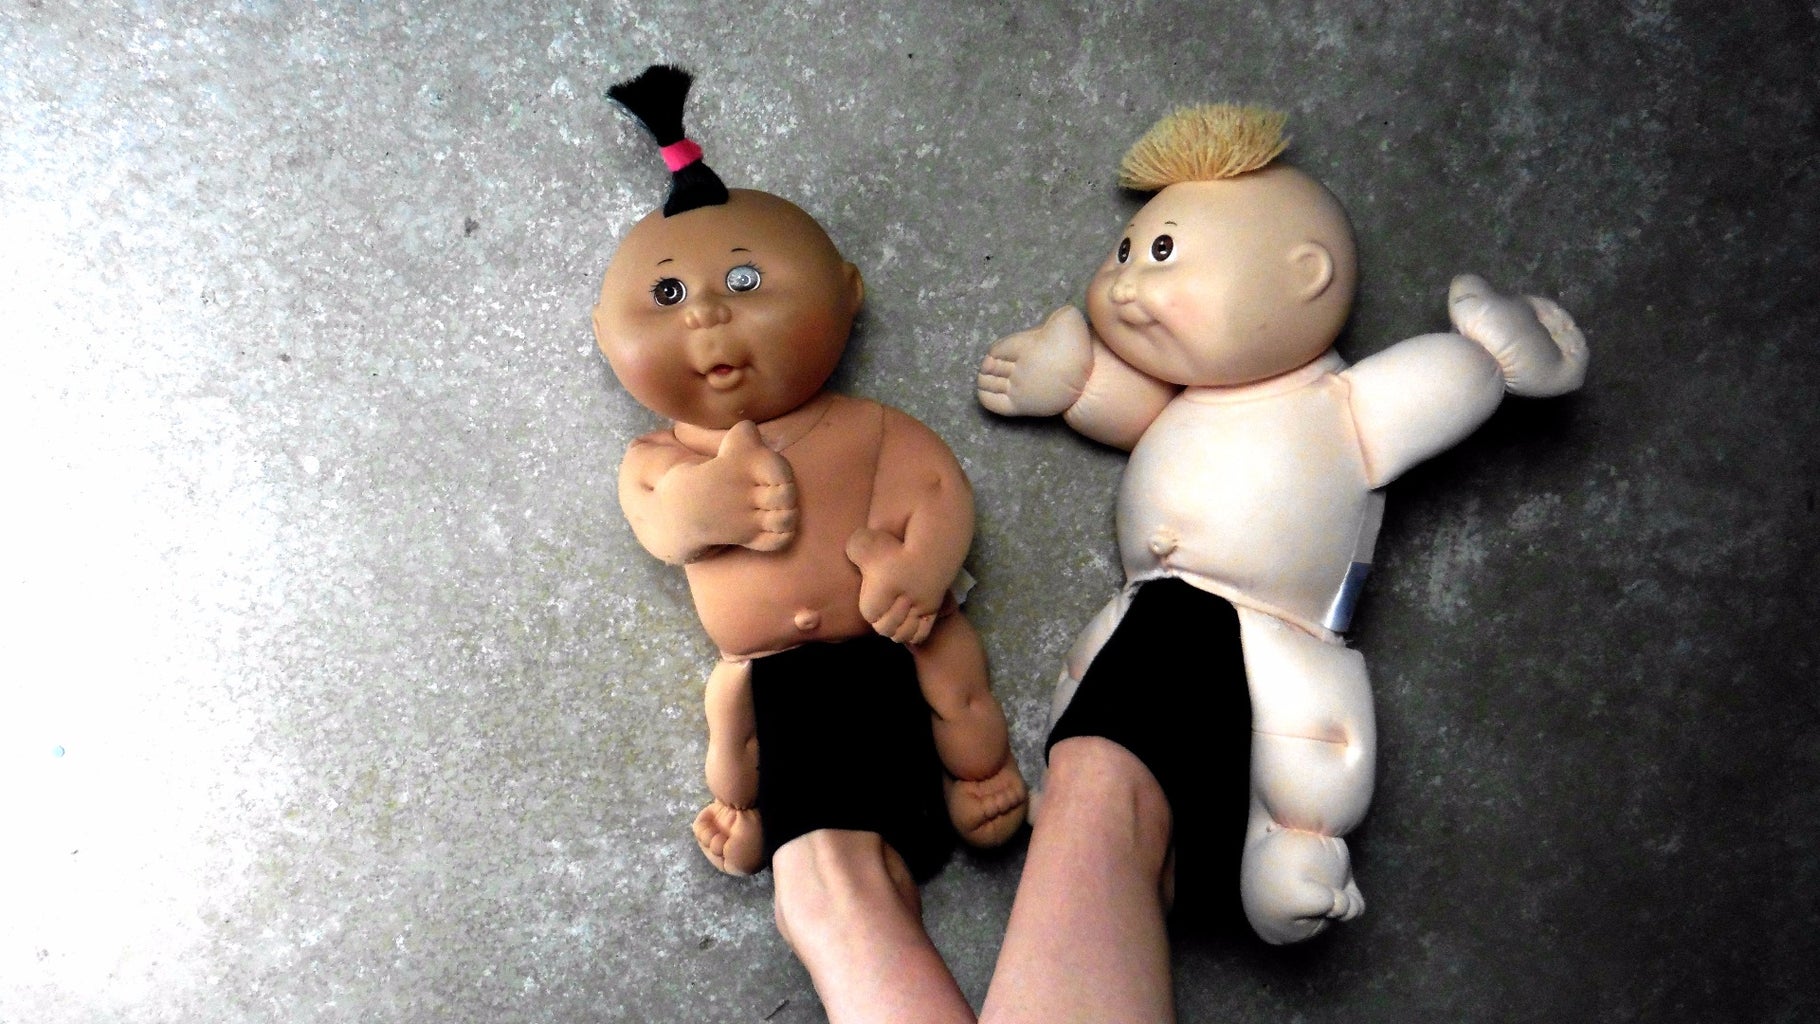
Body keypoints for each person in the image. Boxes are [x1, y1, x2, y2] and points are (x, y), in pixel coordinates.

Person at [975, 104, 1587, 1021]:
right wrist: (1070, 381)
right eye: (1127, 252)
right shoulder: (1184, 405)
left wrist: (1491, 355)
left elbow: (1448, 383)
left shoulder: (1342, 408)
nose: (1129, 282)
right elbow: (1128, 409)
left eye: (1164, 254)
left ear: (1305, 275)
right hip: (1149, 614)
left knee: (1304, 739)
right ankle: (1117, 830)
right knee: (1092, 723)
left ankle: (1287, 851)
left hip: (1265, 632)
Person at [593, 65, 1026, 1024]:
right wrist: (703, 506)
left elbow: (939, 492)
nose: (706, 312)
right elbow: (662, 523)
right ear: (604, 335)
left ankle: (980, 771)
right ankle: (748, 808)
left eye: (745, 281)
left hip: (892, 636)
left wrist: (921, 568)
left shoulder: (869, 428)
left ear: (846, 292)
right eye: (667, 293)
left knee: (953, 667)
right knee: (731, 712)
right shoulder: (657, 458)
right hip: (767, 666)